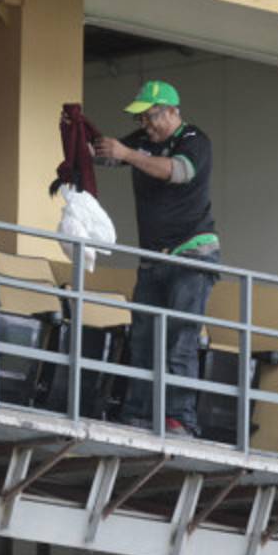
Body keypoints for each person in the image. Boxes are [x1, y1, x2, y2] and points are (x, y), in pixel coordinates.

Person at [94, 80, 219, 436]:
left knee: (180, 340)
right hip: (153, 260)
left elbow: (177, 171)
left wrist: (128, 154)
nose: (146, 126)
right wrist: (85, 142)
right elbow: (108, 155)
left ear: (173, 112)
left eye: (151, 117)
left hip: (191, 257)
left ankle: (179, 419)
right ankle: (139, 414)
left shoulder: (195, 140)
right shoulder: (144, 142)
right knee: (143, 340)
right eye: (142, 120)